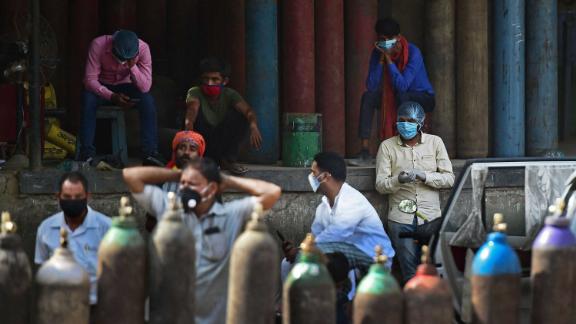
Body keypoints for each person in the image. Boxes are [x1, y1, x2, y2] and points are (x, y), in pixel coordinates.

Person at [123, 158, 281, 324]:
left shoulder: (230, 215)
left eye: (192, 183)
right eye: (183, 183)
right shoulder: (168, 208)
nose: (184, 188)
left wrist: (227, 180)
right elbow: (130, 176)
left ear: (211, 188)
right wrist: (177, 175)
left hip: (212, 319)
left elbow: (272, 192)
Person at [375, 101, 454, 284]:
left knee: (433, 269)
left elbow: (449, 179)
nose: (405, 125)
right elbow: (380, 184)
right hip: (400, 219)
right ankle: (413, 306)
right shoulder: (387, 146)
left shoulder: (435, 143)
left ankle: (432, 306)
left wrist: (424, 176)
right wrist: (398, 180)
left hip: (430, 218)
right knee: (409, 273)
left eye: (410, 120)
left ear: (420, 123)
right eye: (401, 120)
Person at [282, 152, 394, 277]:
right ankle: (291, 296)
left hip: (374, 257)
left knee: (328, 257)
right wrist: (296, 250)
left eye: (313, 173)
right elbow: (315, 236)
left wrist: (302, 251)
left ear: (325, 176)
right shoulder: (324, 206)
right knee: (287, 264)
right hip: (346, 252)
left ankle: (345, 296)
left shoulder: (352, 199)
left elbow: (336, 234)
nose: (310, 177)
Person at [355, 18, 435, 163]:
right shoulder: (377, 53)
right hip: (393, 95)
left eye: (389, 39)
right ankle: (365, 151)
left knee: (401, 96)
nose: (385, 43)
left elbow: (402, 85)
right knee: (368, 97)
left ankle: (403, 148)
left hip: (423, 97)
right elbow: (372, 86)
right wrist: (381, 60)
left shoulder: (413, 52)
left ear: (398, 38)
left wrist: (389, 61)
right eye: (382, 39)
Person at [79, 29, 164, 166]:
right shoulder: (98, 45)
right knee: (88, 100)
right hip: (102, 86)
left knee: (148, 101)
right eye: (120, 57)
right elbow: (89, 80)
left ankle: (150, 153)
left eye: (127, 58)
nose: (122, 62)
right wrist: (111, 96)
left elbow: (145, 87)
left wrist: (132, 66)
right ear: (112, 46)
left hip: (128, 85)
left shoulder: (143, 49)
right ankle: (86, 154)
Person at [35, 171, 112, 308]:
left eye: (78, 197)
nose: (72, 200)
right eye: (67, 197)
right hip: (58, 307)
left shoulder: (106, 227)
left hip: (96, 306)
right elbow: (42, 270)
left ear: (87, 196)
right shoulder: (46, 229)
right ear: (58, 197)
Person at [184, 57, 263, 175]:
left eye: (215, 79)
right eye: (206, 79)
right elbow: (192, 110)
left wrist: (253, 125)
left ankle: (228, 161)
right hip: (202, 141)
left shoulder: (230, 94)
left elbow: (248, 111)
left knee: (240, 117)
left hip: (221, 140)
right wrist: (188, 132)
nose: (209, 83)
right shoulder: (195, 92)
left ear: (224, 81)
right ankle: (202, 159)